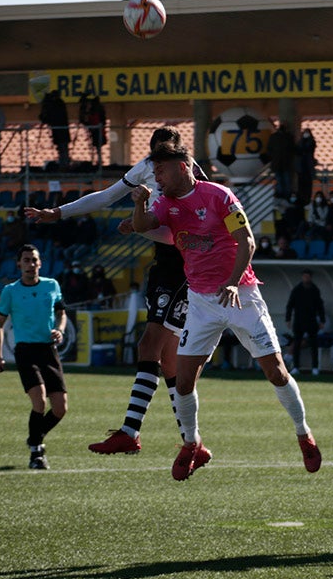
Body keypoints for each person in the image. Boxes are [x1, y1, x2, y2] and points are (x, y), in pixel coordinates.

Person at [131, 141, 321, 480]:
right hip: (201, 302)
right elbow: (143, 225)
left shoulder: (218, 195)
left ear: (183, 166)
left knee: (275, 371)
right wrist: (140, 204)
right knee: (184, 380)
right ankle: (192, 444)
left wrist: (233, 282)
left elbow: (247, 240)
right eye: (155, 170)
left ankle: (303, 433)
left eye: (161, 169)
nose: (156, 175)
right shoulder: (165, 203)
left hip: (241, 296)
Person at [25, 126, 205, 457]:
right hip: (164, 264)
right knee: (167, 360)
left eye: (162, 162)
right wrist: (58, 212)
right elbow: (107, 196)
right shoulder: (146, 168)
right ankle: (191, 442)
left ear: (179, 159)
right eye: (154, 161)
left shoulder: (192, 175)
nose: (156, 170)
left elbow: (190, 226)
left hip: (183, 265)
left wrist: (141, 228)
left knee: (150, 344)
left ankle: (131, 432)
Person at [0, 244, 68, 470]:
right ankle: (36, 453)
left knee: (60, 408)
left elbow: (61, 311)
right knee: (40, 400)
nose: (31, 264)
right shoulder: (10, 291)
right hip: (25, 351)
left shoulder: (51, 285)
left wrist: (60, 329)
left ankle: (34, 436)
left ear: (40, 263)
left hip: (48, 350)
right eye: (26, 260)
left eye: (34, 260)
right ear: (19, 264)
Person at [285, 269, 326, 376]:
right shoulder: (297, 290)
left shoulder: (314, 290)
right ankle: (296, 367)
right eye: (304, 276)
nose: (306, 278)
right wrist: (288, 319)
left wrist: (322, 320)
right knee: (297, 344)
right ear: (302, 277)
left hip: (311, 321)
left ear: (310, 277)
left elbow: (320, 306)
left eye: (308, 276)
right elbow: (290, 305)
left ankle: (315, 367)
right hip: (299, 320)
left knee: (314, 345)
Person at [39, 89, 70, 170]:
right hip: (59, 131)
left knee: (63, 149)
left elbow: (51, 116)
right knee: (62, 149)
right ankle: (63, 164)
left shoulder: (58, 104)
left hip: (61, 131)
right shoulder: (59, 104)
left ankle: (64, 165)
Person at [266, 122, 296, 200]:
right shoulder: (289, 137)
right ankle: (286, 195)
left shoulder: (274, 137)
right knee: (285, 180)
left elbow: (269, 150)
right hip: (285, 164)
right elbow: (293, 149)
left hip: (278, 164)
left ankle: (281, 195)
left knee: (280, 180)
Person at [78, 93, 107, 166]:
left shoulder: (96, 112)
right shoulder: (94, 111)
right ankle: (97, 162)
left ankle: (99, 164)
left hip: (97, 132)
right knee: (97, 149)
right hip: (95, 132)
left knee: (98, 149)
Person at [296, 127, 318, 202]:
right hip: (301, 168)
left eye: (307, 133)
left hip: (308, 168)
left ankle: (307, 199)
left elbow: (308, 149)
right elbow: (298, 151)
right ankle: (301, 198)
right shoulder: (300, 142)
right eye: (305, 132)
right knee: (301, 185)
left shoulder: (312, 142)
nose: (306, 134)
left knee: (308, 185)